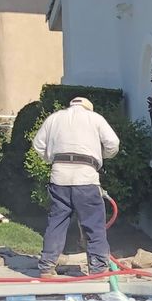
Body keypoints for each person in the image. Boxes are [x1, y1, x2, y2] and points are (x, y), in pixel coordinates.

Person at [32, 95, 120, 277]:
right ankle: (97, 269)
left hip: (59, 177)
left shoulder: (54, 118)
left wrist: (51, 158)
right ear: (89, 107)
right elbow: (113, 143)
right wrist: (102, 156)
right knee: (93, 224)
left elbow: (38, 144)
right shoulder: (95, 118)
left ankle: (47, 267)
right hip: (86, 177)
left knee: (56, 222)